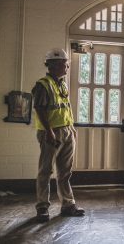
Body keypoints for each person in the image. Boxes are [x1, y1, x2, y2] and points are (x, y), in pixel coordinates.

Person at [32, 48, 85, 222]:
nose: (67, 66)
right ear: (54, 65)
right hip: (51, 132)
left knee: (65, 172)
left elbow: (66, 108)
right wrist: (49, 132)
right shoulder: (42, 85)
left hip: (67, 130)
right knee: (45, 171)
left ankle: (68, 205)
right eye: (64, 63)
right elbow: (39, 109)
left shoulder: (62, 84)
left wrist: (72, 128)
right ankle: (42, 208)